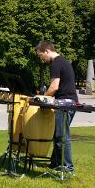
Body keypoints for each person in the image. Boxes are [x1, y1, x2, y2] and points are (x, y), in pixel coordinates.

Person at [35, 41, 78, 172]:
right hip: (68, 102)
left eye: (40, 55)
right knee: (58, 134)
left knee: (62, 136)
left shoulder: (56, 64)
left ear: (47, 51)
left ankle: (68, 167)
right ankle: (55, 163)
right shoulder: (63, 61)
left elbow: (54, 87)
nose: (41, 59)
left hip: (65, 103)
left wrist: (43, 98)